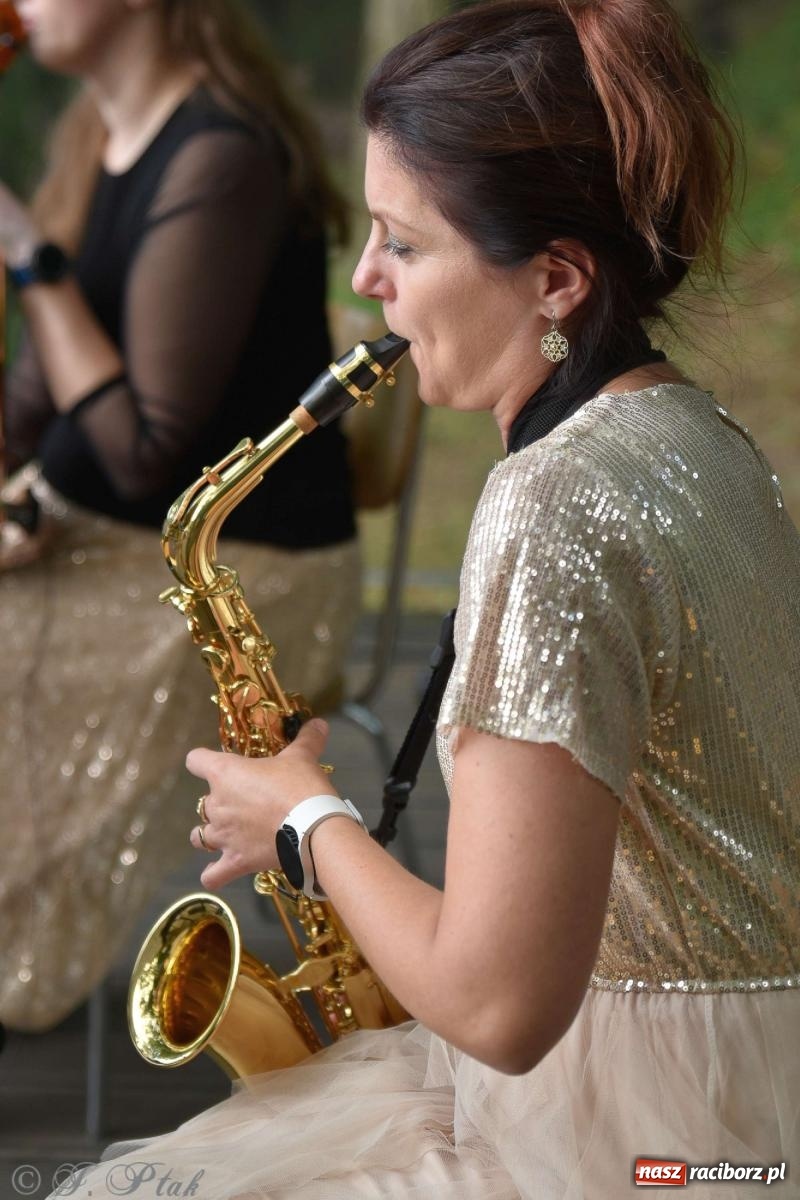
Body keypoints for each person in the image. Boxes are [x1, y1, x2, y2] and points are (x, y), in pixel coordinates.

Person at [51, 1, 799, 1197]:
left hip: (622, 1135)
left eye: (404, 243)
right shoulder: (703, 439)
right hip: (742, 1104)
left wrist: (304, 821)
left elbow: (499, 1008)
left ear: (555, 279)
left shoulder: (550, 503)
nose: (365, 280)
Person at [0, 0, 360, 1034]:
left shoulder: (223, 153)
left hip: (252, 564)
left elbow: (144, 448)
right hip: (114, 540)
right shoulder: (90, 146)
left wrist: (32, 259)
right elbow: (33, 415)